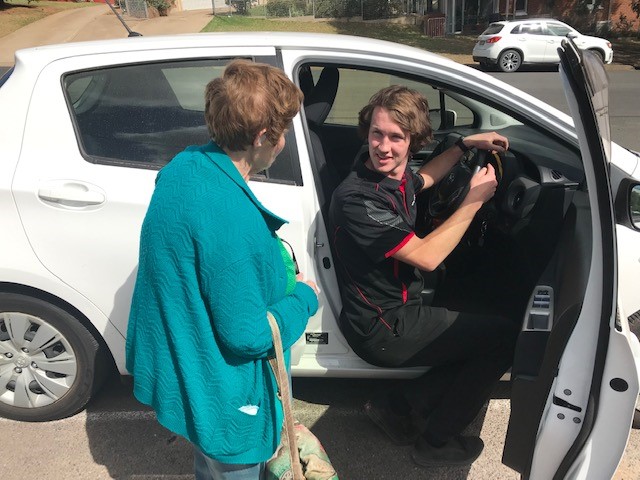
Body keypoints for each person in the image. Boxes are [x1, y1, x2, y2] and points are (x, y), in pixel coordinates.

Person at [125, 59, 319, 480]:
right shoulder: (231, 220)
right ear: (262, 137)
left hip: (190, 370)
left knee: (207, 461)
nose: (283, 142)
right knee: (234, 465)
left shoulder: (185, 166)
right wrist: (304, 298)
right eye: (282, 132)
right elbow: (247, 334)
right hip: (223, 390)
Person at [329, 85, 520, 467]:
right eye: (376, 134)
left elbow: (423, 179)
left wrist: (464, 145)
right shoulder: (358, 199)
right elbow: (427, 257)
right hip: (384, 327)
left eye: (396, 137)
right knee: (502, 339)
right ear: (366, 131)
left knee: (473, 311)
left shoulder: (391, 176)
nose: (383, 146)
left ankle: (397, 406)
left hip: (402, 303)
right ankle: (435, 442)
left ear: (413, 142)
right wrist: (474, 199)